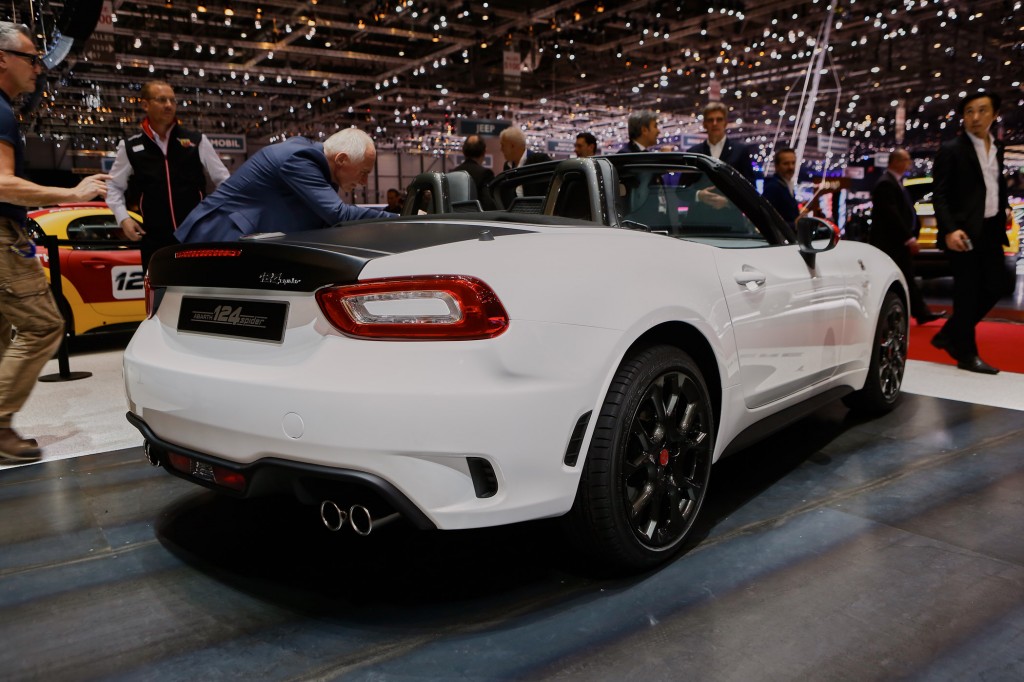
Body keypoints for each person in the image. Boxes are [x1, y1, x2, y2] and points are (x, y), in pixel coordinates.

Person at [0, 22, 109, 463]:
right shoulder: (2, 111)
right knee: (44, 325)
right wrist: (72, 194)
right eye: (30, 58)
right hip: (2, 237)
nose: (39, 67)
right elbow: (2, 183)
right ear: (2, 58)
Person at [175, 128, 395, 243]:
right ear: (341, 159)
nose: (365, 182)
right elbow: (338, 214)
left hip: (233, 241)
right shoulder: (300, 159)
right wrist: (398, 219)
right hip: (217, 236)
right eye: (364, 173)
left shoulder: (314, 164)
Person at [106, 80, 230, 271]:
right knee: (159, 296)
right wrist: (123, 218)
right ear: (145, 104)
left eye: (172, 100)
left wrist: (216, 214)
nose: (169, 105)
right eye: (162, 100)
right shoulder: (130, 147)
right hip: (155, 241)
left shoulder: (197, 141)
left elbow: (224, 181)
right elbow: (113, 186)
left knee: (199, 292)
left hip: (196, 236)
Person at [930, 90, 1013, 374]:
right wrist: (950, 230)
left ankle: (950, 334)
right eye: (969, 112)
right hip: (963, 232)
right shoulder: (952, 149)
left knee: (998, 284)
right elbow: (938, 195)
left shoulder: (998, 147)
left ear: (994, 114)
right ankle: (966, 353)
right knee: (966, 293)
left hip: (991, 228)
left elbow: (994, 183)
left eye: (981, 111)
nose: (975, 117)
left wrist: (1005, 207)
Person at [869, 149, 944, 326]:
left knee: (908, 277)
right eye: (906, 160)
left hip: (897, 242)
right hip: (891, 243)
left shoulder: (896, 182)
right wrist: (908, 237)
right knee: (904, 277)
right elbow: (892, 214)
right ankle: (918, 312)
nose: (909, 163)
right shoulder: (886, 184)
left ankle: (920, 312)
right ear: (895, 161)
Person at [687, 102, 756, 184]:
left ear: (725, 123)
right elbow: (682, 188)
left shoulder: (740, 151)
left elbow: (750, 186)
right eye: (710, 120)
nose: (714, 123)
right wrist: (697, 194)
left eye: (719, 119)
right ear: (704, 124)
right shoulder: (693, 153)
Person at [762, 147, 805, 227]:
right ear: (776, 166)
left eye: (793, 163)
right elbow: (768, 220)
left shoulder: (785, 185)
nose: (791, 167)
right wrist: (794, 225)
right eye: (786, 163)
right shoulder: (773, 188)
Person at [452, 134, 494, 199]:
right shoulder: (486, 174)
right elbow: (488, 203)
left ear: (463, 151)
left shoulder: (453, 173)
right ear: (484, 152)